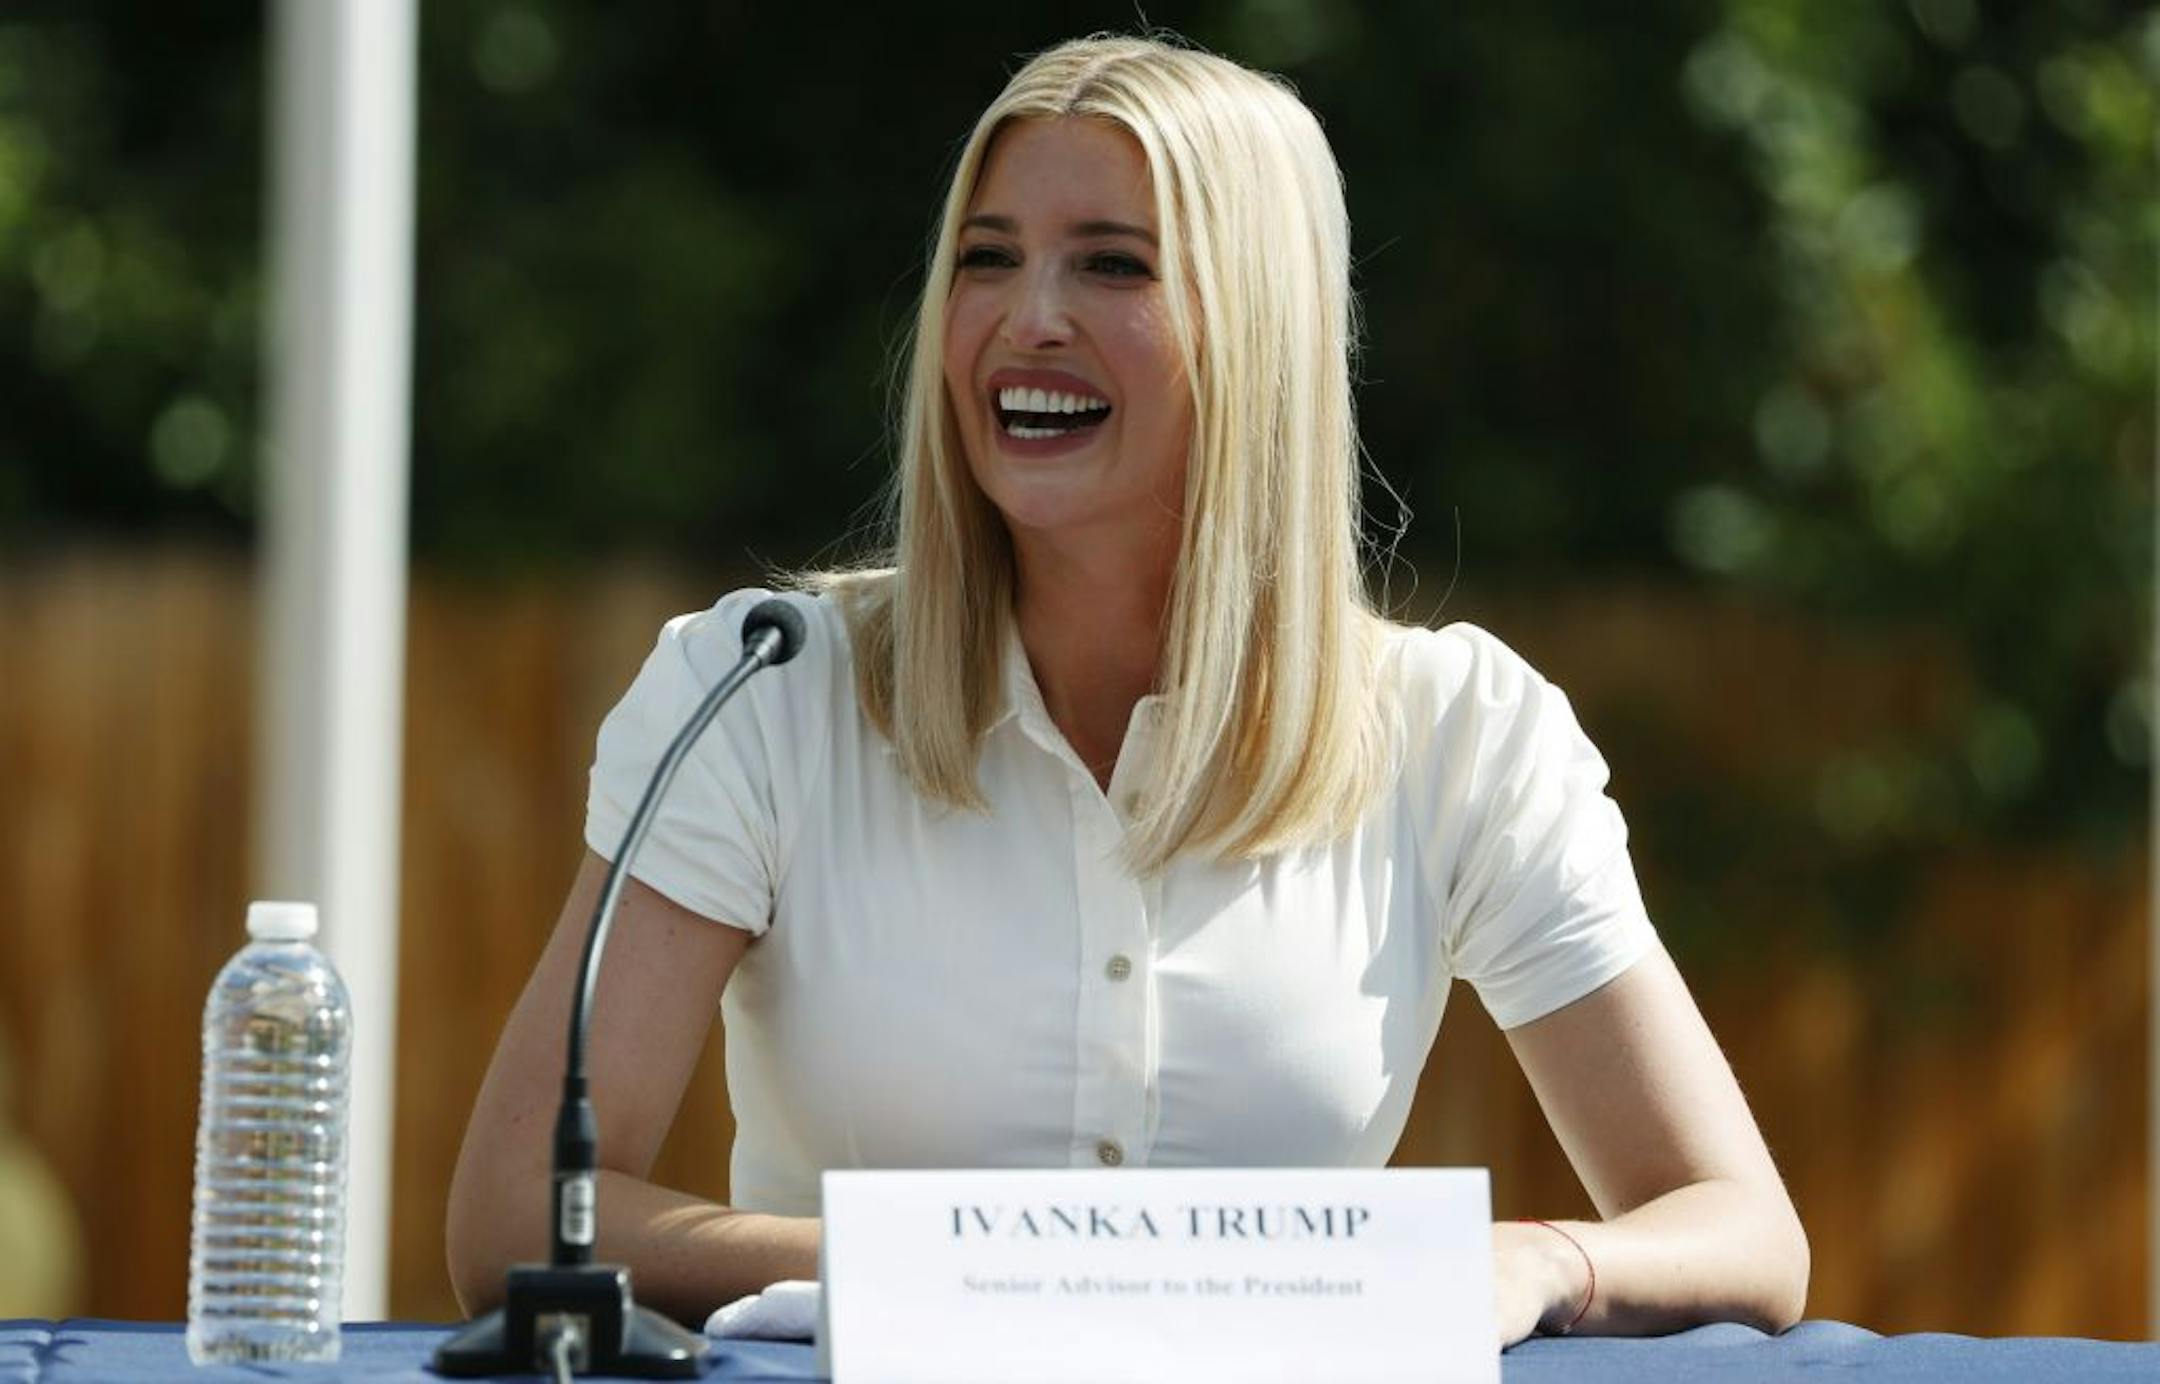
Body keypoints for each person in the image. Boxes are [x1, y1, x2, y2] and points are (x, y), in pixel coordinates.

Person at [445, 34, 1810, 1347]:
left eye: (1114, 265)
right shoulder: (758, 695)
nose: (1028, 318)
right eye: (989, 260)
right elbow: (518, 1219)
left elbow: (1743, 1233)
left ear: (1257, 327)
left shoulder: (1462, 734)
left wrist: (1536, 1262)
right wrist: (981, 1279)